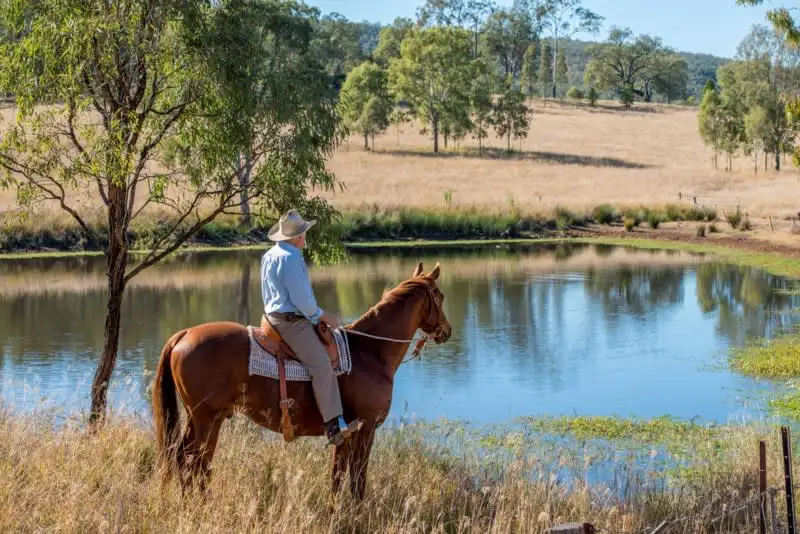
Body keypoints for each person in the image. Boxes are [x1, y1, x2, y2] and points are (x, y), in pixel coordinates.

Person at [260, 209, 360, 446]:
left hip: (272, 316)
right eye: (303, 233)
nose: (305, 237)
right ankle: (334, 425)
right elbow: (303, 301)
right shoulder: (291, 258)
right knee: (322, 366)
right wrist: (324, 316)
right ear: (297, 237)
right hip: (291, 322)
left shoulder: (269, 255)